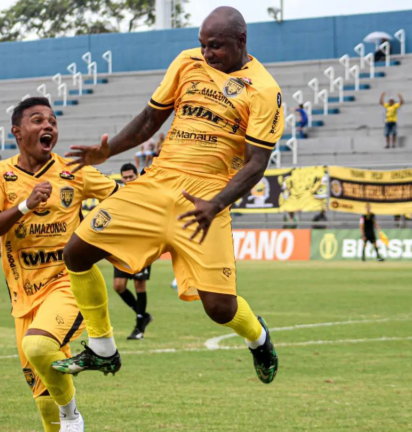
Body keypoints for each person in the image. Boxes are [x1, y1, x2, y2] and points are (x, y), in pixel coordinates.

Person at [52, 7, 281, 387]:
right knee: (76, 252)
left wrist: (217, 203)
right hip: (156, 185)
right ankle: (102, 348)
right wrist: (107, 152)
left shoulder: (264, 90)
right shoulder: (186, 63)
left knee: (220, 309)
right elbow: (149, 120)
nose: (207, 53)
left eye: (216, 47)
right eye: (203, 45)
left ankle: (259, 338)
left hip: (206, 200)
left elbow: (256, 164)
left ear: (241, 41)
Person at [0, 97, 119, 432]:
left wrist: (103, 235)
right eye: (37, 120)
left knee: (39, 345)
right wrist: (24, 206)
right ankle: (63, 418)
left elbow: (123, 196)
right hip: (23, 296)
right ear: (17, 131)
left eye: (52, 121)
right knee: (42, 398)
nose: (48, 126)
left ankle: (73, 417)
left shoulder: (75, 171)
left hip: (67, 282)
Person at [112, 163, 154, 340]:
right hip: (124, 246)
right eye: (125, 177)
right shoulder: (120, 195)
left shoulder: (145, 194)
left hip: (143, 245)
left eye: (131, 176)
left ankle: (139, 327)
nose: (128, 180)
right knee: (118, 286)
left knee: (139, 285)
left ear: (137, 175)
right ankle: (143, 315)